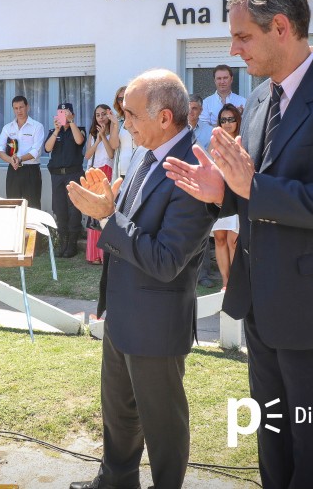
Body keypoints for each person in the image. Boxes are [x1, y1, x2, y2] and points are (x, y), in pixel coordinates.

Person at [164, 0, 313, 489]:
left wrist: (251, 188)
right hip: (262, 308)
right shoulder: (261, 99)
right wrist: (222, 191)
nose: (234, 50)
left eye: (242, 37)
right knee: (273, 444)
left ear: (280, 27)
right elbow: (253, 191)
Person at [66, 69, 214, 489]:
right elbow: (128, 226)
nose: (123, 123)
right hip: (123, 310)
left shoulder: (192, 171)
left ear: (165, 117)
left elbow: (167, 260)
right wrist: (108, 207)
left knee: (162, 423)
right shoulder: (146, 152)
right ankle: (115, 481)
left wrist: (108, 217)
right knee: (119, 412)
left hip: (156, 320)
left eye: (130, 115)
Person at [45, 102, 86, 258]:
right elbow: (48, 148)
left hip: (73, 174)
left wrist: (71, 122)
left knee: (73, 208)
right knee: (59, 208)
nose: (63, 115)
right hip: (57, 175)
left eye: (66, 112)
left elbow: (79, 141)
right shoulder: (53, 131)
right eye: (60, 112)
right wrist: (56, 130)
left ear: (72, 114)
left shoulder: (79, 129)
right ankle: (62, 242)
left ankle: (72, 244)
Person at [210, 104, 241, 289]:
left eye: (231, 119)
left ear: (237, 120)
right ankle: (226, 283)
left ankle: (238, 282)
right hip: (219, 196)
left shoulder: (243, 140)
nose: (227, 123)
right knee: (220, 239)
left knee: (233, 241)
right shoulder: (215, 142)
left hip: (237, 196)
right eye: (223, 120)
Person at [0, 95, 45, 209]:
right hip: (13, 170)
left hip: (31, 170)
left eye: (21, 107)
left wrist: (20, 159)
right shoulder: (8, 128)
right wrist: (11, 160)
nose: (19, 111)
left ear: (27, 107)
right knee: (13, 205)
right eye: (16, 108)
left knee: (33, 206)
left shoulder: (37, 126)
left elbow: (36, 151)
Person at [83, 104, 117, 264]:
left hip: (107, 173)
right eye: (98, 115)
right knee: (94, 212)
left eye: (104, 114)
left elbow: (111, 154)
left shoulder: (113, 134)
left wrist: (104, 136)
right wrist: (97, 138)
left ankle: (105, 255)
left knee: (105, 213)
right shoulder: (91, 134)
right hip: (94, 173)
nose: (101, 117)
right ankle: (94, 255)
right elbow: (87, 155)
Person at [188, 94, 215, 288]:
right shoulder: (175, 130)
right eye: (188, 108)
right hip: (180, 184)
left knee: (202, 230)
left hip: (203, 187)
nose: (191, 112)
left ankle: (203, 273)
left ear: (201, 110)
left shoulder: (210, 131)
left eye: (195, 108)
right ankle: (183, 272)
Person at [109, 86, 135, 180]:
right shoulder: (116, 120)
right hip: (122, 167)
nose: (123, 101)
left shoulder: (141, 118)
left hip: (139, 166)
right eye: (120, 99)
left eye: (125, 97)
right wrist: (115, 124)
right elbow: (114, 145)